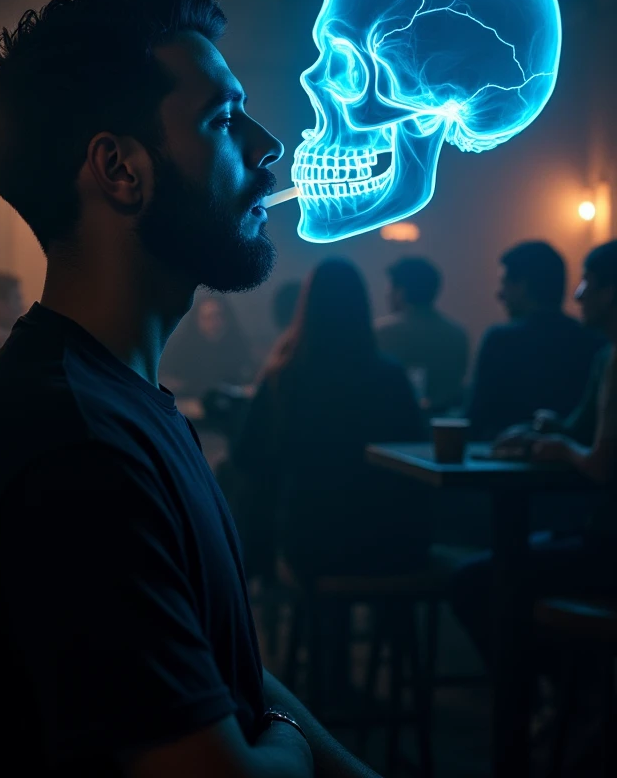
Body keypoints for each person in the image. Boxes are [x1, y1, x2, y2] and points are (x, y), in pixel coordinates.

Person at [0, 0, 385, 778]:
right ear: (120, 170)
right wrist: (278, 732)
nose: (269, 144)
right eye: (222, 119)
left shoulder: (115, 402)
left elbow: (211, 672)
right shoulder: (70, 447)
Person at [452, 240, 617, 667]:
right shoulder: (598, 352)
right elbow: (576, 425)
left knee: (473, 580)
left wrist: (559, 445)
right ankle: (562, 692)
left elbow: (598, 462)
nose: (579, 296)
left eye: (589, 284)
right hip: (579, 518)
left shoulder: (609, 357)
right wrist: (542, 427)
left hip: (601, 542)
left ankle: (532, 695)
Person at [231, 259, 431, 582]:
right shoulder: (390, 377)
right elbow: (418, 452)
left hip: (312, 543)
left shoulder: (286, 377)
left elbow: (248, 457)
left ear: (306, 307)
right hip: (389, 542)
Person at [467, 241, 604, 440]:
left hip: (501, 463)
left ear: (522, 285)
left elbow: (475, 418)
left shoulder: (500, 340)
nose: (500, 294)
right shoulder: (596, 343)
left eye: (505, 282)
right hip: (571, 467)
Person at [376, 257, 468, 413]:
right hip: (444, 427)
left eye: (390, 288)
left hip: (393, 422)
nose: (386, 294)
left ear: (400, 292)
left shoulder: (381, 332)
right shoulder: (458, 335)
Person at [160, 293, 252, 396]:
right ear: (197, 321)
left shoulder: (238, 347)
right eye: (207, 318)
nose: (214, 323)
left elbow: (247, 382)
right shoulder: (179, 350)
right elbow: (168, 383)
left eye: (218, 316)